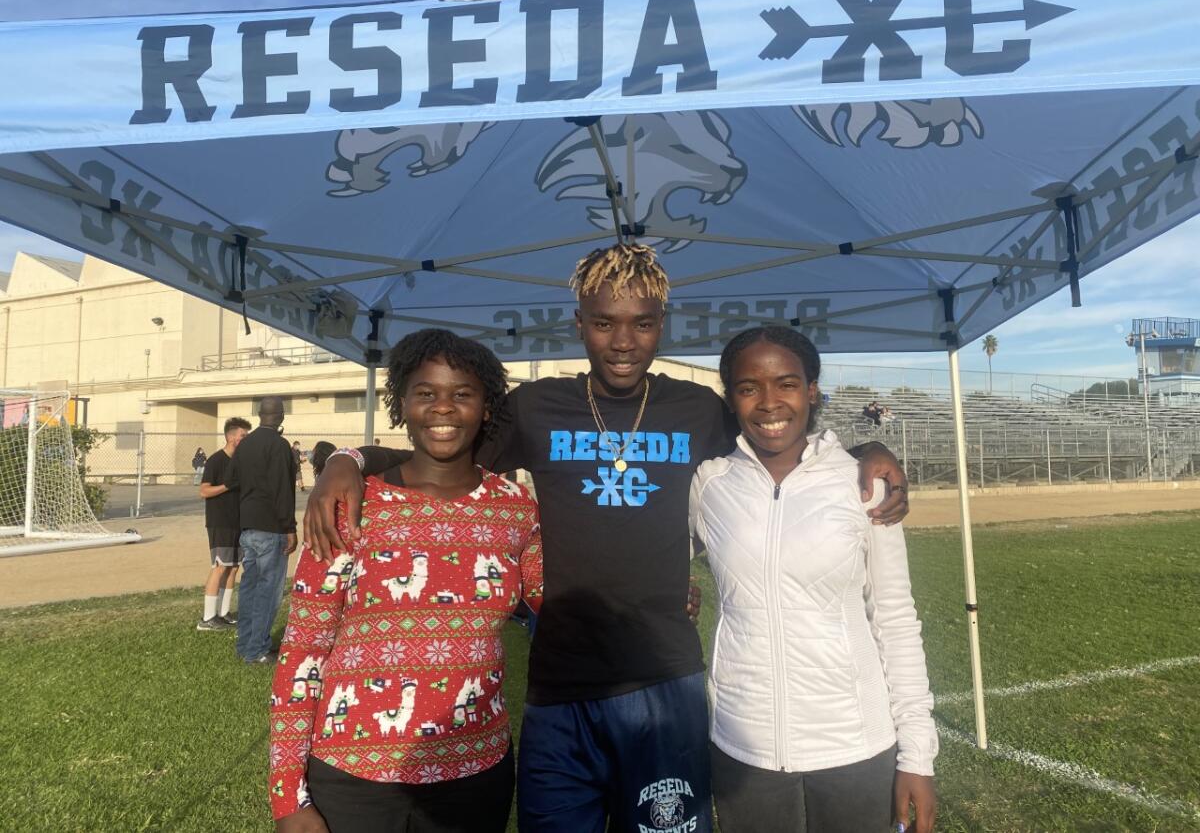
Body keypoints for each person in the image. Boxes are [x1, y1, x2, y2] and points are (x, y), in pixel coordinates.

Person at [306, 242, 911, 832]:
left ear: (661, 326)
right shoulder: (538, 406)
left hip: (665, 681)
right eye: (603, 323)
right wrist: (348, 459)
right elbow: (444, 450)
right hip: (559, 688)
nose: (623, 342)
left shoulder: (698, 409)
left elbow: (779, 432)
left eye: (641, 324)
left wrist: (865, 449)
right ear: (579, 324)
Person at [269, 329, 543, 833]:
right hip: (354, 773)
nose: (443, 408)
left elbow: (556, 600)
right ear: (402, 404)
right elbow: (304, 648)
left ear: (486, 408)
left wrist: (651, 597)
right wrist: (289, 796)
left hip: (475, 771)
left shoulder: (515, 508)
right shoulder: (351, 505)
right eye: (425, 393)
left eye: (462, 394)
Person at [691, 326, 937, 833]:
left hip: (854, 745)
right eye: (748, 387)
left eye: (786, 383)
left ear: (811, 390)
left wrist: (918, 754)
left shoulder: (863, 483)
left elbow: (894, 617)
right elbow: (651, 557)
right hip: (744, 745)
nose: (768, 402)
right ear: (731, 398)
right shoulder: (709, 484)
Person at [227, 396, 297, 664]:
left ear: (259, 414)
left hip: (249, 527)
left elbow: (231, 480)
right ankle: (257, 649)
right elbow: (282, 489)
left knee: (249, 588)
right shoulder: (278, 445)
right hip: (272, 526)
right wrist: (289, 527)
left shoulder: (245, 445)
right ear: (280, 416)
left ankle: (246, 644)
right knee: (269, 590)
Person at [196, 417, 251, 631]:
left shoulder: (242, 462)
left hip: (238, 521)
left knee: (234, 567)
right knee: (220, 566)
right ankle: (208, 618)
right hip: (221, 521)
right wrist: (227, 486)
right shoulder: (216, 461)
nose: (245, 440)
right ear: (231, 437)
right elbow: (204, 491)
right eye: (243, 436)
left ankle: (224, 612)